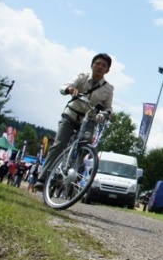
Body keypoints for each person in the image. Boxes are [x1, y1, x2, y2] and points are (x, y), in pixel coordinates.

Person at [34, 53, 114, 190]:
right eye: (97, 63)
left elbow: (108, 107)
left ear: (107, 70)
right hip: (71, 116)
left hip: (89, 120)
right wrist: (69, 89)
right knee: (59, 145)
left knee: (84, 149)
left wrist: (107, 114)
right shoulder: (82, 77)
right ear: (92, 65)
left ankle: (73, 181)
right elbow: (64, 86)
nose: (100, 67)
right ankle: (42, 178)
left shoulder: (108, 88)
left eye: (104, 65)